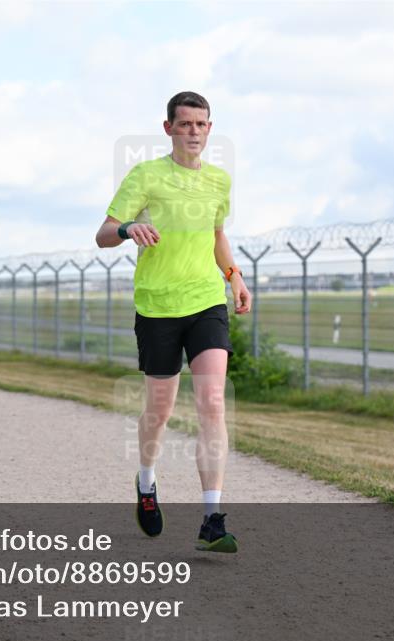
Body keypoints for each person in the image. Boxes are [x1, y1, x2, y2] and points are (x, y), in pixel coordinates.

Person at [95, 91, 252, 553]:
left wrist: (235, 276)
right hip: (158, 307)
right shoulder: (146, 175)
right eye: (185, 124)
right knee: (160, 411)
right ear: (169, 129)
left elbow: (217, 236)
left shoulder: (219, 181)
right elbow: (103, 234)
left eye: (202, 125)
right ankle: (146, 482)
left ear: (210, 129)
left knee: (212, 403)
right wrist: (127, 229)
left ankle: (211, 518)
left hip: (207, 301)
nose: (194, 132)